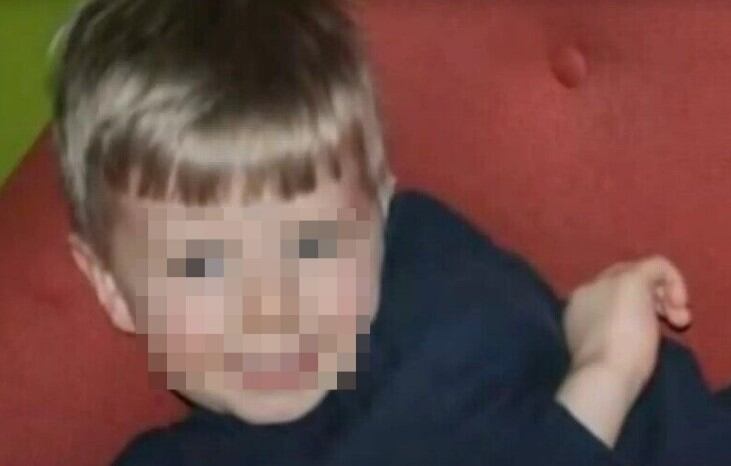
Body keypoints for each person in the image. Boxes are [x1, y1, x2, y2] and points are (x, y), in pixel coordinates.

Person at [51, 0, 731, 464]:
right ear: (110, 287)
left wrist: (606, 371)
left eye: (311, 247)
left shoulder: (438, 295)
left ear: (380, 208)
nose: (270, 312)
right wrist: (604, 372)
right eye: (203, 267)